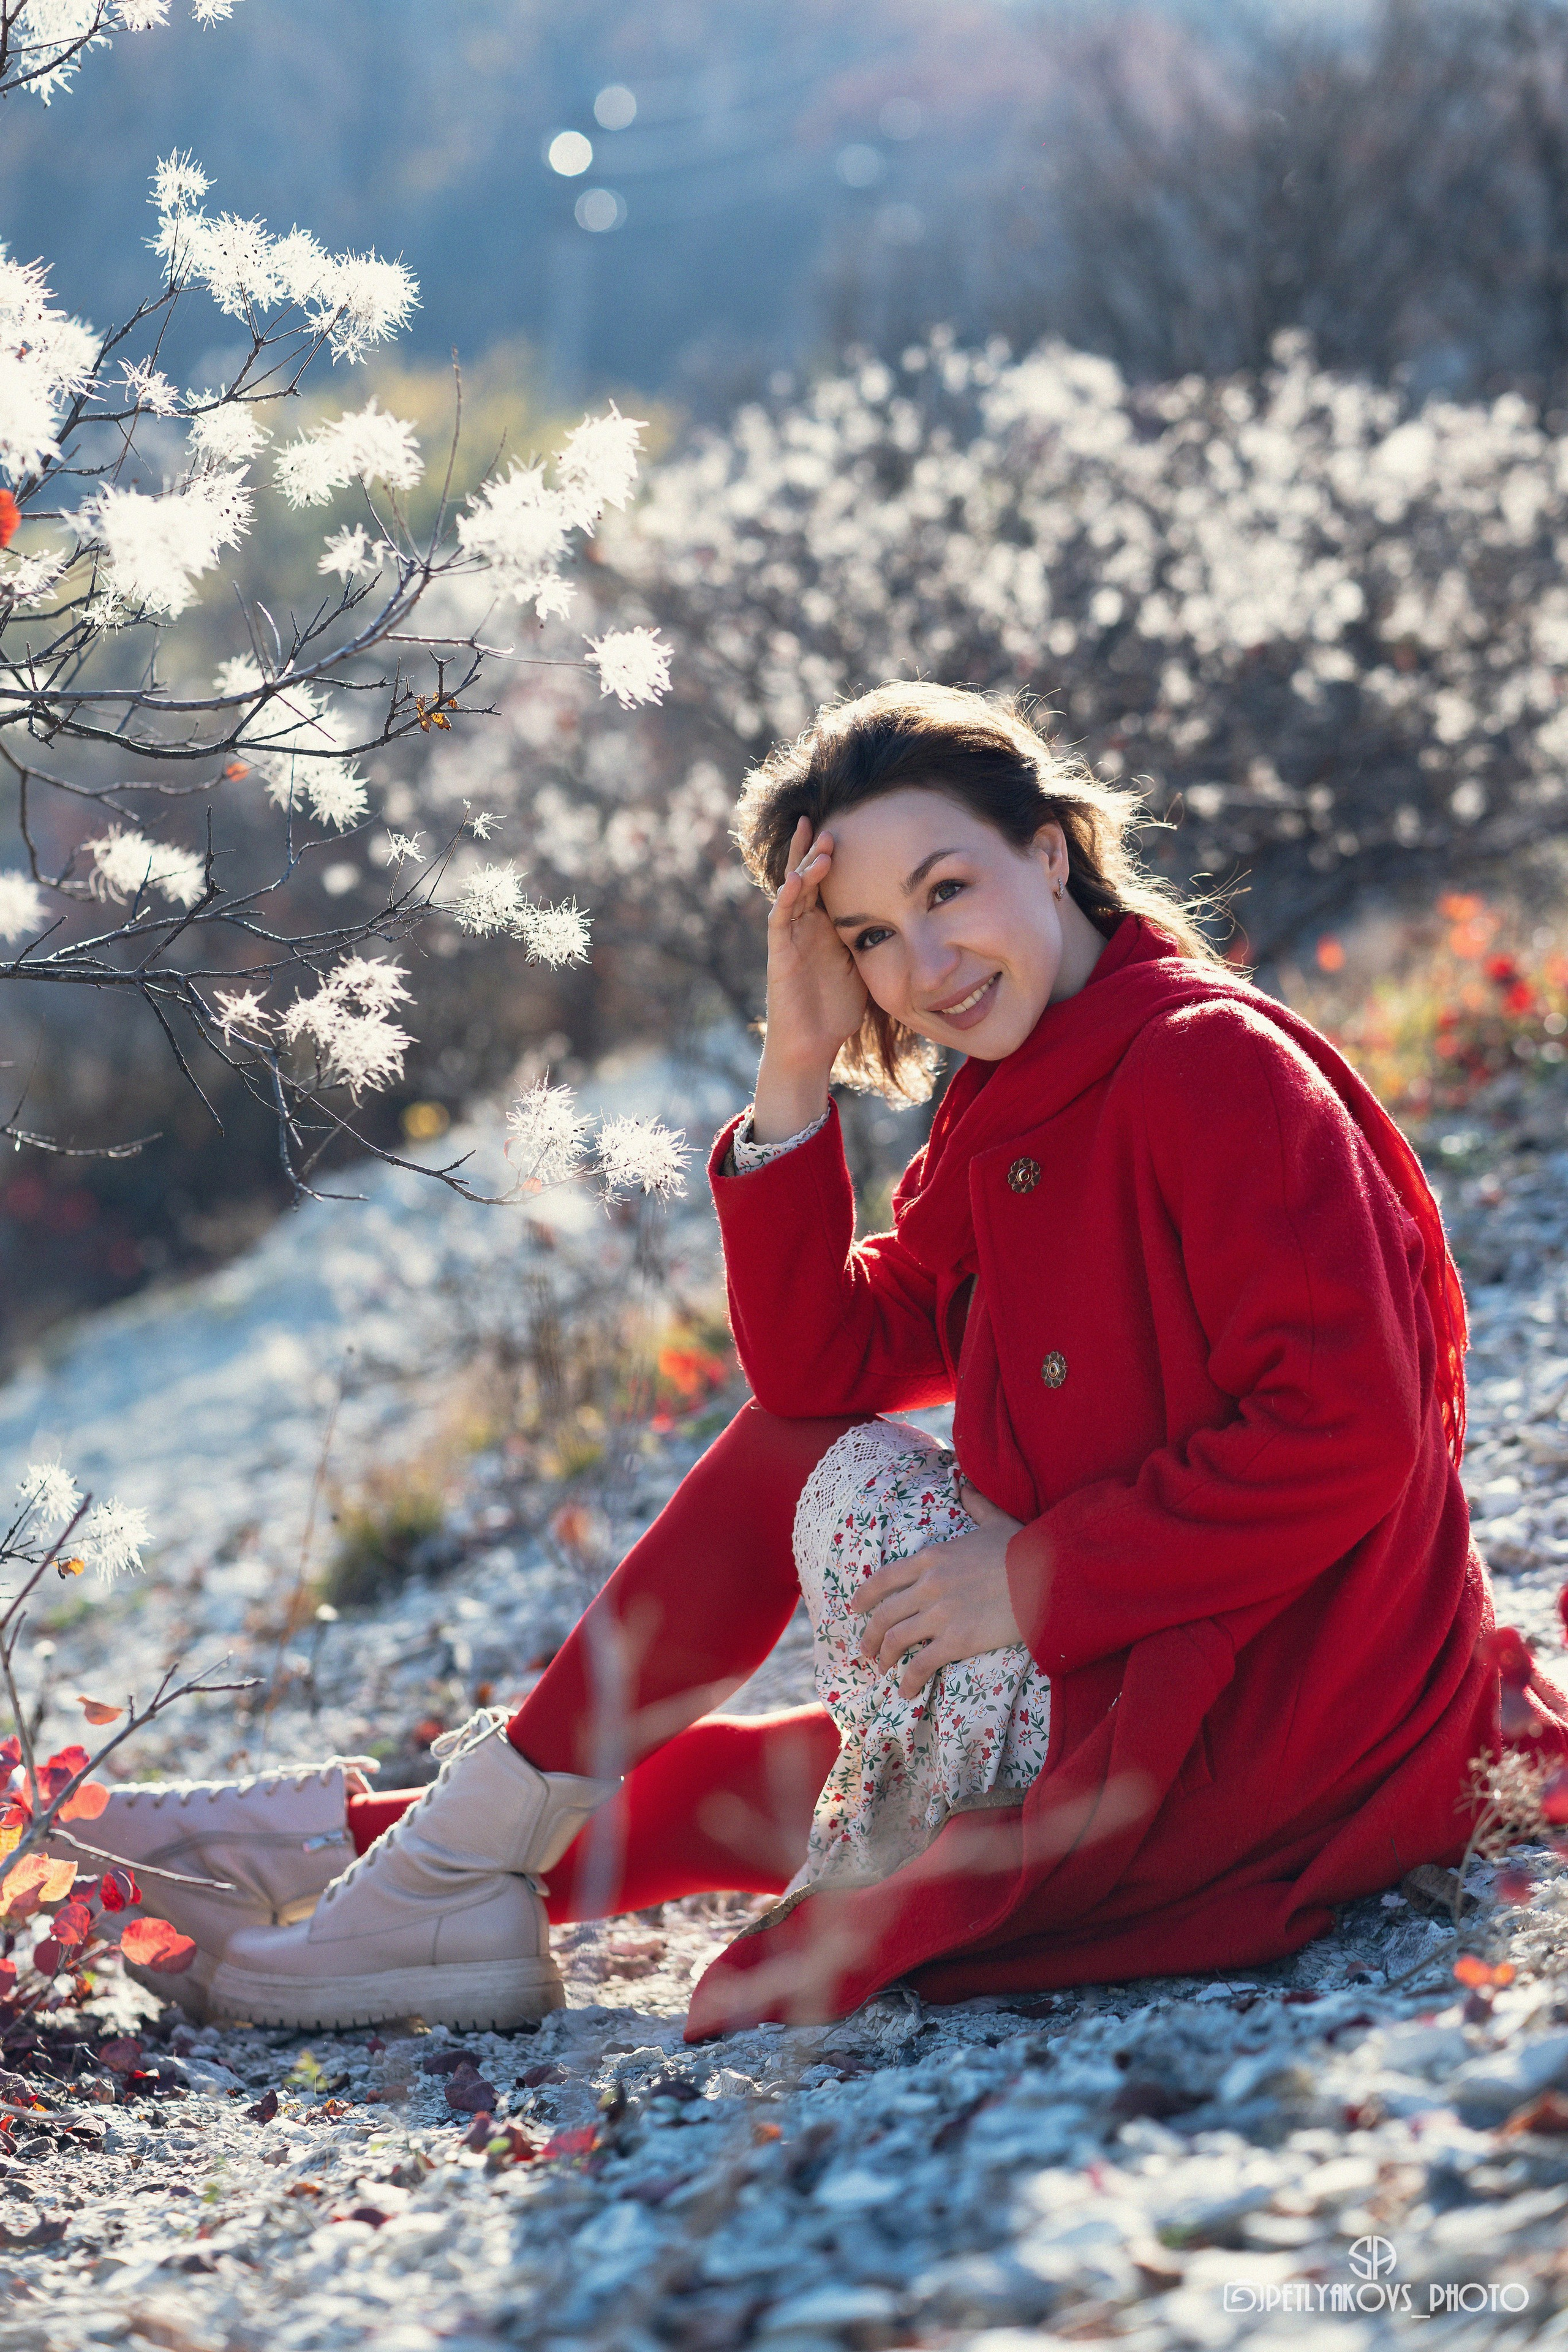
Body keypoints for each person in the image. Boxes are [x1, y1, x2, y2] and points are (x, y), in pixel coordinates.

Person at [66, 682, 1566, 2038]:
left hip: (1270, 1702)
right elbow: (822, 1360)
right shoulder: (1017, 1092)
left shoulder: (1207, 1067)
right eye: (867, 938)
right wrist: (794, 1067)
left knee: (805, 1635)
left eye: (945, 890)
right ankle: (331, 1857)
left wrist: (1031, 1580)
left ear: (1048, 852)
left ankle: (348, 1861)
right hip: (1169, 1665)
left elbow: (1343, 1432)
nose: (925, 966)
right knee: (780, 1782)